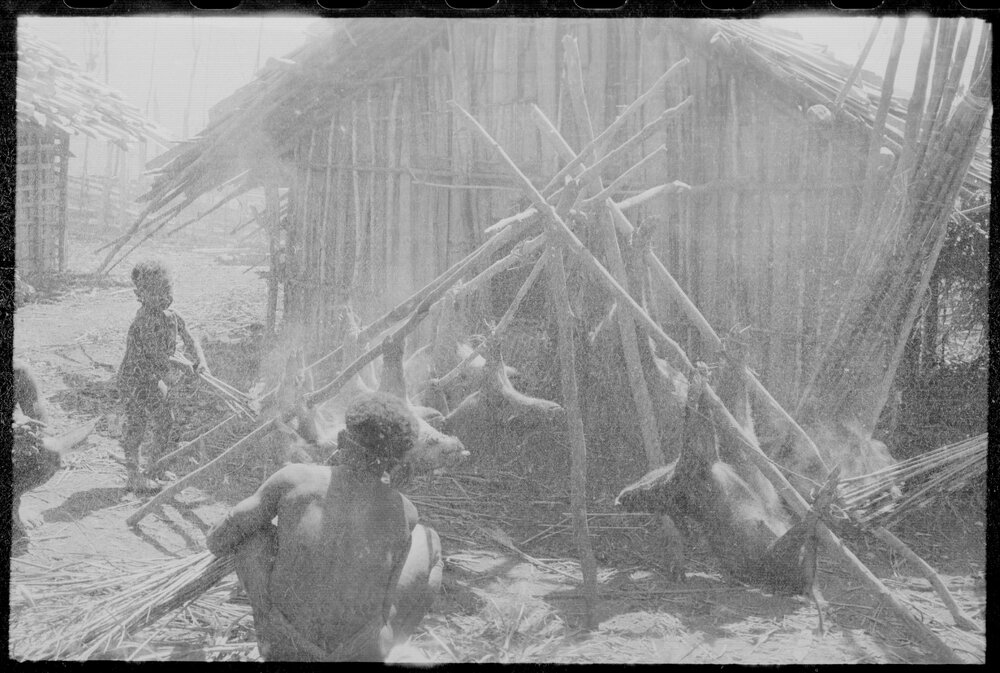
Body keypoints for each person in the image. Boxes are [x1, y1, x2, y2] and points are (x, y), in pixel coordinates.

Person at [206, 392, 442, 662]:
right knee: (427, 538)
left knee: (252, 536)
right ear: (396, 462)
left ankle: (269, 627)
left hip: (285, 648)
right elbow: (385, 588)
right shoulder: (405, 511)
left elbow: (218, 540)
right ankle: (392, 643)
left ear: (342, 440)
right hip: (361, 654)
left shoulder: (296, 478)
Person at [118, 260, 209, 494]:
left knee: (165, 421)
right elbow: (159, 357)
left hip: (151, 379)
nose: (164, 298)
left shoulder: (172, 316)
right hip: (134, 379)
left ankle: (155, 468)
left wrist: (202, 362)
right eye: (156, 293)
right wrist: (187, 365)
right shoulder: (143, 321)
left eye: (167, 291)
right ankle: (133, 475)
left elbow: (191, 340)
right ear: (141, 295)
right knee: (137, 424)